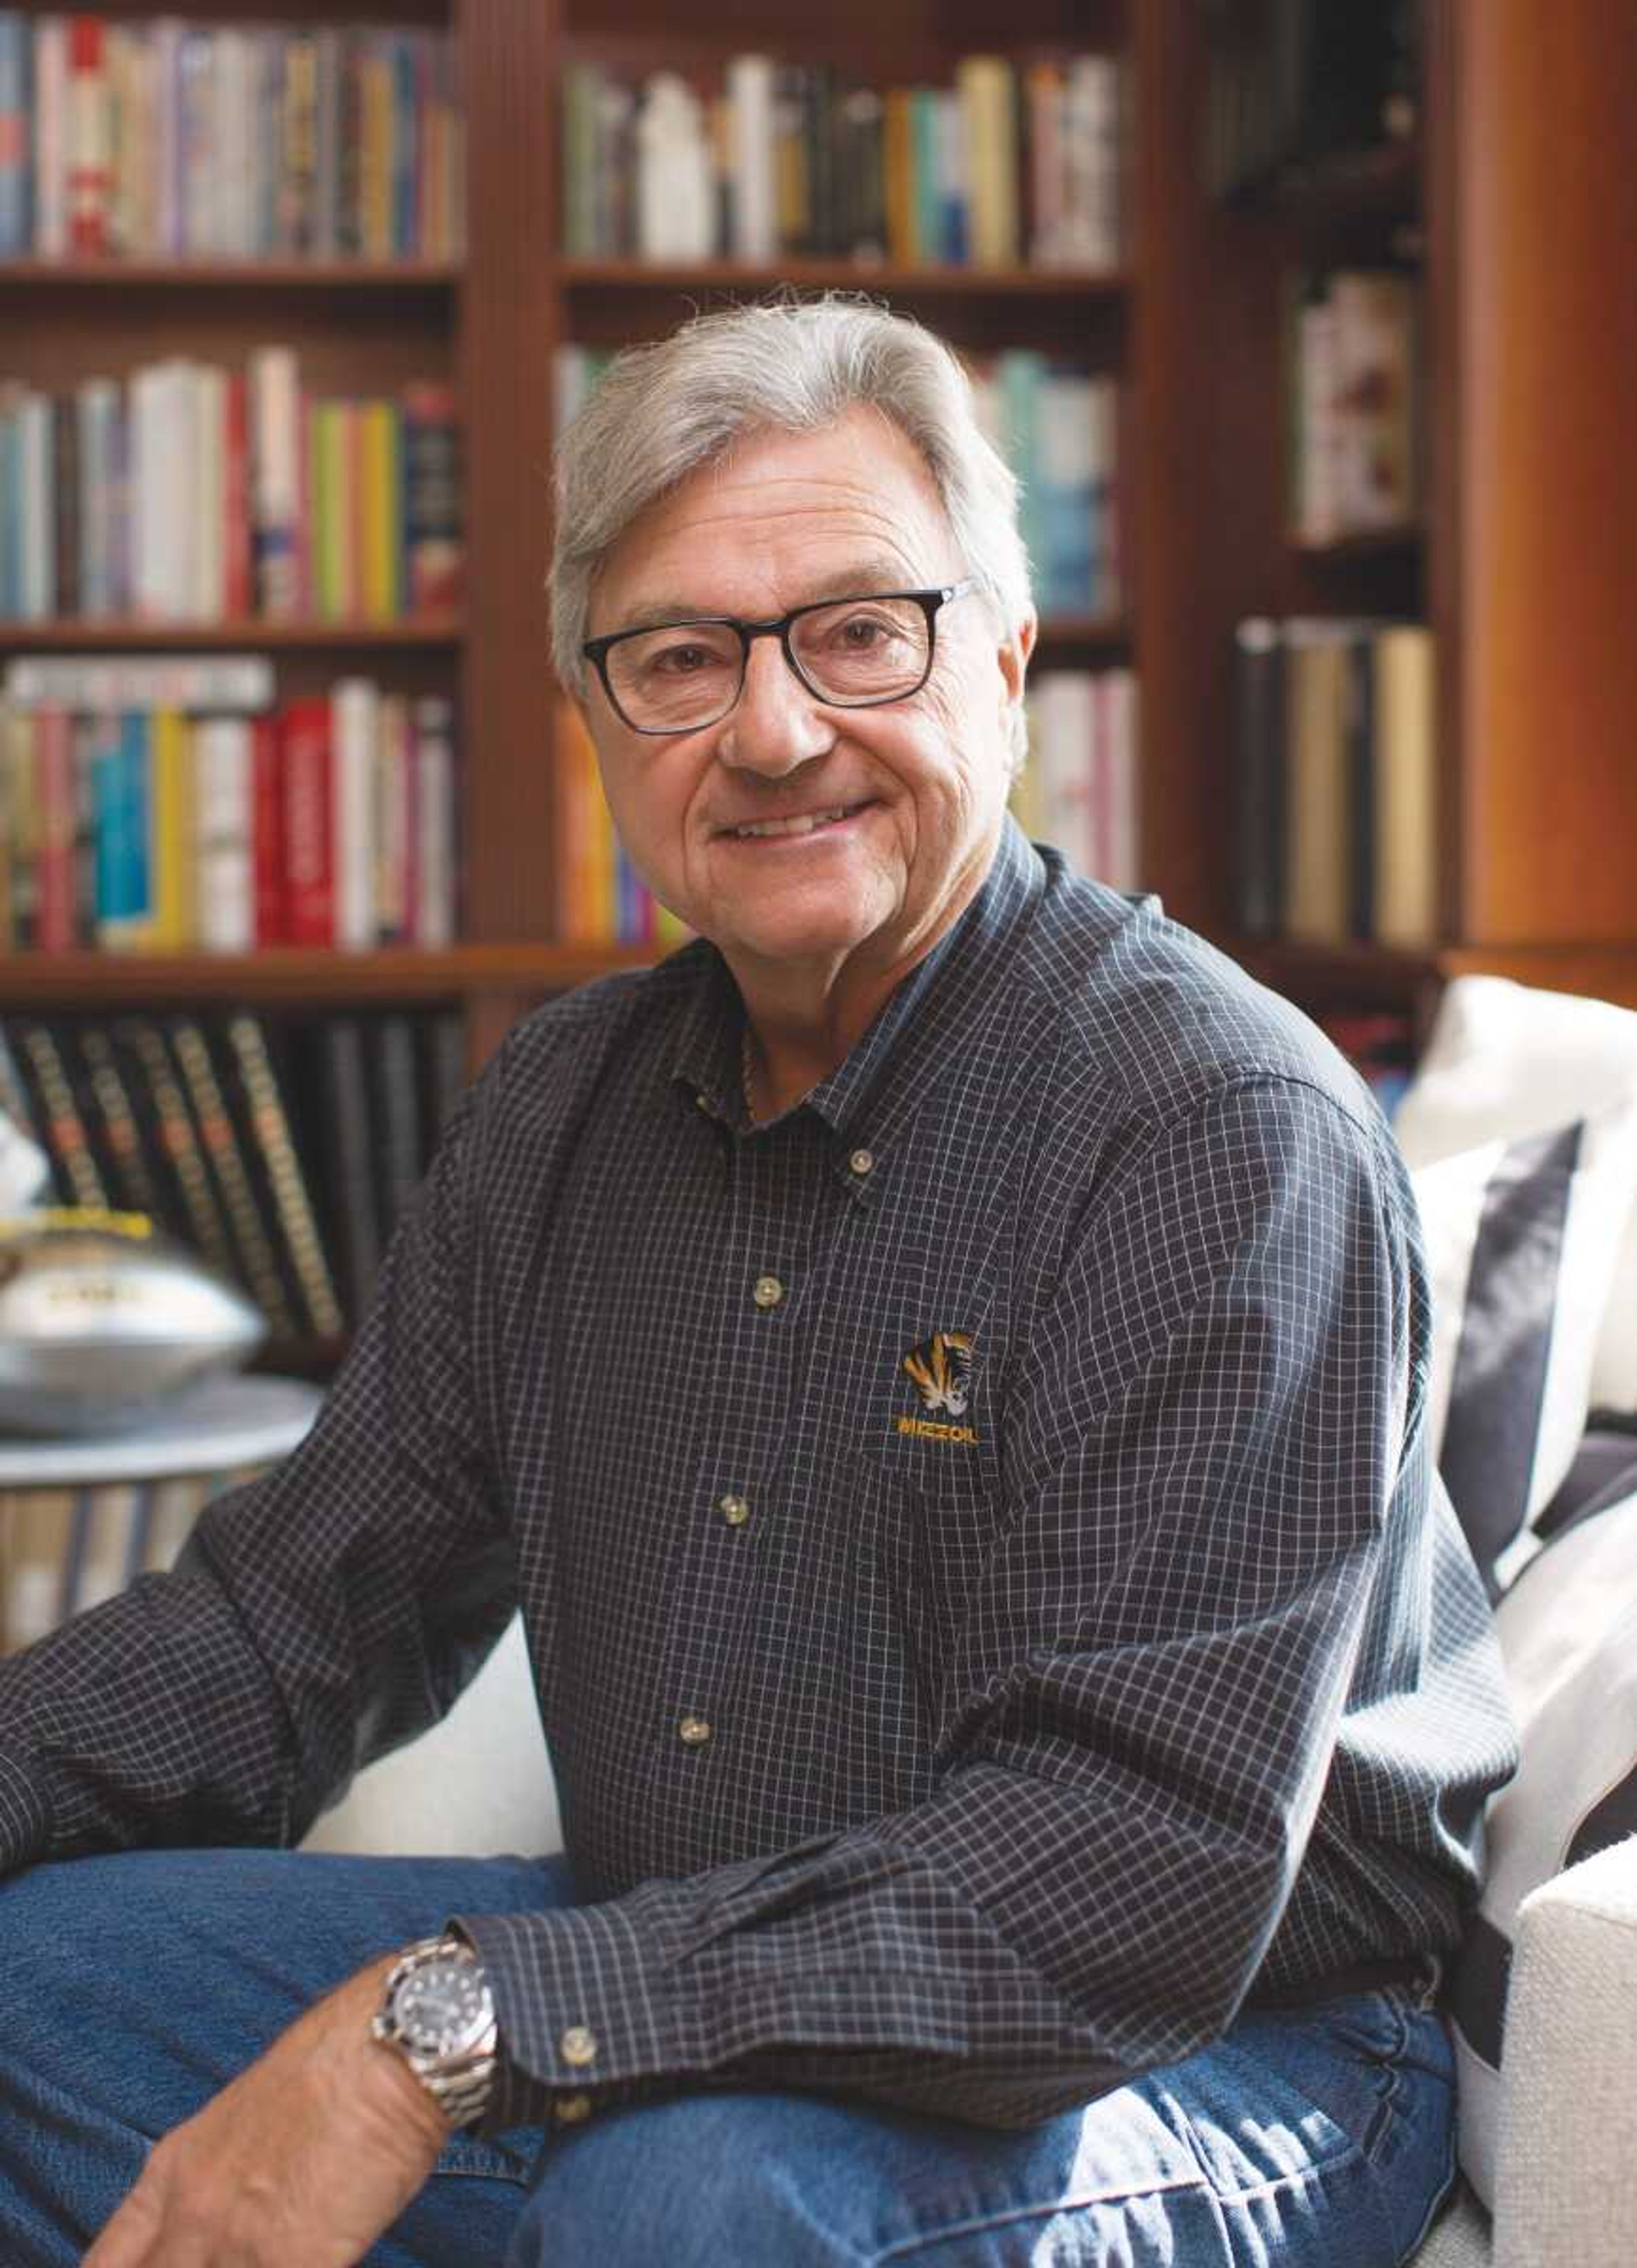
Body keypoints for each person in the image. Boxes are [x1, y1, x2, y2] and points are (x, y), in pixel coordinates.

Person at [0, 297, 1516, 2268]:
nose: (777, 730)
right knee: (33, 1986)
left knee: (694, 2202)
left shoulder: (1214, 1133)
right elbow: (288, 1621)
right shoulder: (563, 1102)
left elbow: (1113, 1882)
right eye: (683, 658)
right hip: (697, 1944)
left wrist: (437, 2041)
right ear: (603, 723)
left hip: (1211, 2042)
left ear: (1008, 661)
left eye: (859, 630)